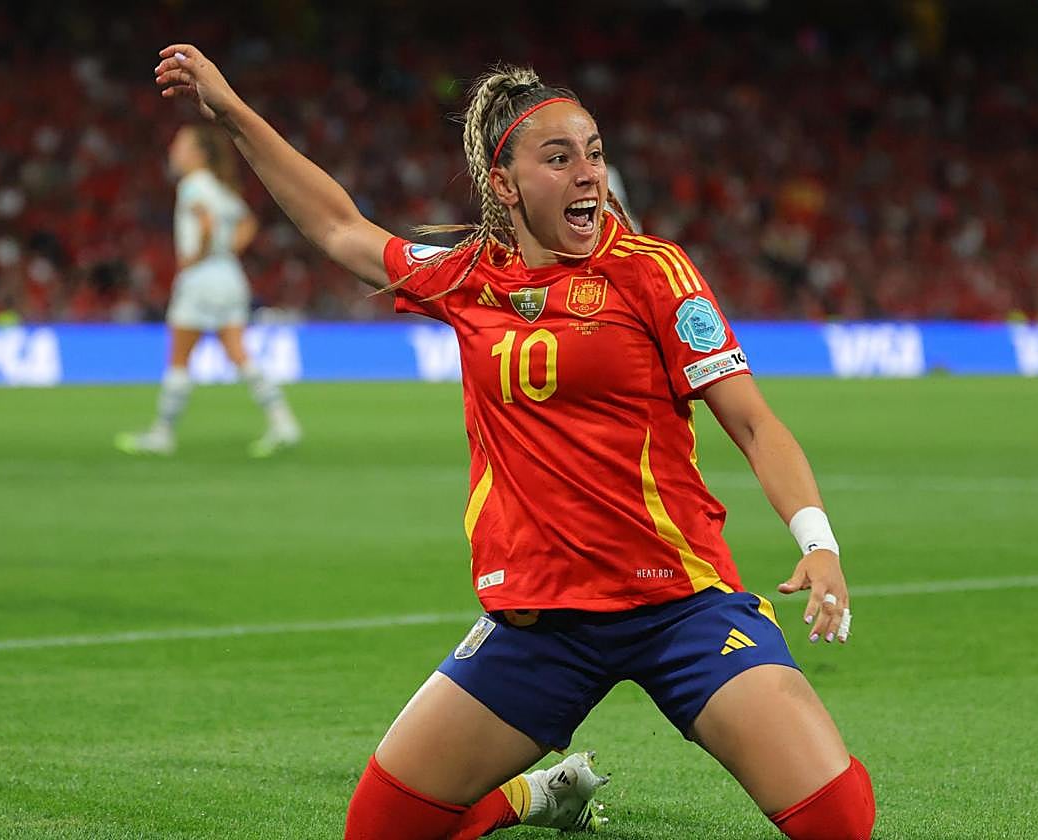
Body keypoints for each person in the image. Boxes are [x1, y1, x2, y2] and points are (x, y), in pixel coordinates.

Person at [154, 44, 875, 840]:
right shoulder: (469, 276)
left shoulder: (654, 273)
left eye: (593, 154)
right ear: (504, 185)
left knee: (838, 821)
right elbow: (338, 226)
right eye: (558, 159)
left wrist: (819, 543)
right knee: (377, 831)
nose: (587, 175)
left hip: (678, 608)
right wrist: (232, 114)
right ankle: (534, 798)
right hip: (541, 625)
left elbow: (754, 422)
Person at [115, 124, 301, 458]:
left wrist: (197, 256)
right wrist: (225, 251)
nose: (173, 151)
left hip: (200, 278)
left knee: (179, 358)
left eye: (180, 145)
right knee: (238, 353)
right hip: (229, 276)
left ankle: (162, 434)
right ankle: (283, 421)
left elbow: (206, 225)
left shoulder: (192, 185)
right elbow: (248, 223)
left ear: (198, 154)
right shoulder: (221, 187)